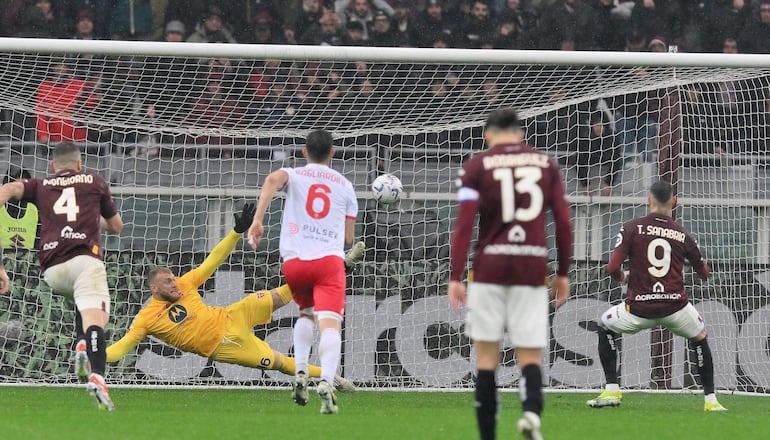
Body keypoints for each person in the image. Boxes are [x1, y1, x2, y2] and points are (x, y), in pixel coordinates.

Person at [106, 203, 360, 393]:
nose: (174, 284)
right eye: (167, 282)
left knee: (280, 294)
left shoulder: (185, 283)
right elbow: (122, 347)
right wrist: (97, 356)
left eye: (173, 278)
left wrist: (236, 232)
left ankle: (336, 268)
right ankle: (329, 376)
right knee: (278, 362)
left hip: (232, 314)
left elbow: (213, 260)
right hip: (225, 345)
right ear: (154, 289)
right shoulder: (146, 319)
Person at [449, 108, 573, 440]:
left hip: (489, 268)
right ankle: (531, 412)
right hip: (531, 266)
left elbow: (463, 226)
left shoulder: (476, 166)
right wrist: (562, 272)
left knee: (487, 357)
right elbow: (563, 221)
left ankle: (488, 435)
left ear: (488, 134)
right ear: (520, 135)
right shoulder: (546, 165)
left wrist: (456, 276)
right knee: (529, 352)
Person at [0, 142, 124, 410]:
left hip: (53, 271)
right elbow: (116, 226)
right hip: (85, 260)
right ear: (79, 164)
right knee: (96, 318)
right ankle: (98, 377)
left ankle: (80, 343)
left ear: (53, 166)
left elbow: (9, 188)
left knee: (81, 298)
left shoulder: (41, 185)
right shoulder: (95, 182)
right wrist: (91, 217)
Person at [587, 181, 727, 412]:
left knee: (604, 324)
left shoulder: (632, 227)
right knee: (700, 337)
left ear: (649, 200)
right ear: (674, 201)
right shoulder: (683, 235)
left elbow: (611, 268)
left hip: (639, 309)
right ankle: (711, 401)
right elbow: (704, 274)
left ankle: (612, 389)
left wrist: (624, 276)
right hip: (676, 308)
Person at [248, 129, 358, 415]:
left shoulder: (294, 174)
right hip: (329, 263)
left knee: (305, 314)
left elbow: (272, 179)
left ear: (304, 152)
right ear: (333, 153)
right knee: (330, 325)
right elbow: (348, 238)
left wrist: (258, 221)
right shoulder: (345, 186)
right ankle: (327, 381)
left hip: (295, 263)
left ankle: (299, 371)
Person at [0, 169, 39, 250]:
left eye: (23, 188)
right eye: (16, 187)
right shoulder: (2, 208)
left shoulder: (36, 210)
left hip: (30, 260)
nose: (19, 191)